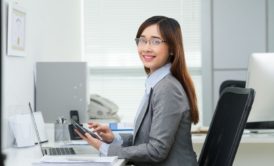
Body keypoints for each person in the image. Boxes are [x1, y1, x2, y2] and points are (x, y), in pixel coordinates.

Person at [75, 15, 199, 166]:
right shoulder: (156, 83)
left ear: (172, 48)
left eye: (155, 41)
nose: (146, 47)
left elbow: (156, 151)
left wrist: (104, 148)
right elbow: (146, 139)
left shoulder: (168, 89)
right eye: (142, 40)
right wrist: (114, 138)